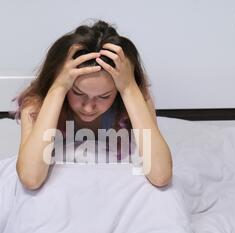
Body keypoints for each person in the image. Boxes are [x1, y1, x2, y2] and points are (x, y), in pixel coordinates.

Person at [14, 20, 172, 190]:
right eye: (78, 93)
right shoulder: (37, 104)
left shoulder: (134, 98)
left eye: (104, 96)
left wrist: (128, 88)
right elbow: (31, 178)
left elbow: (160, 175)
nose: (88, 107)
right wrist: (58, 88)